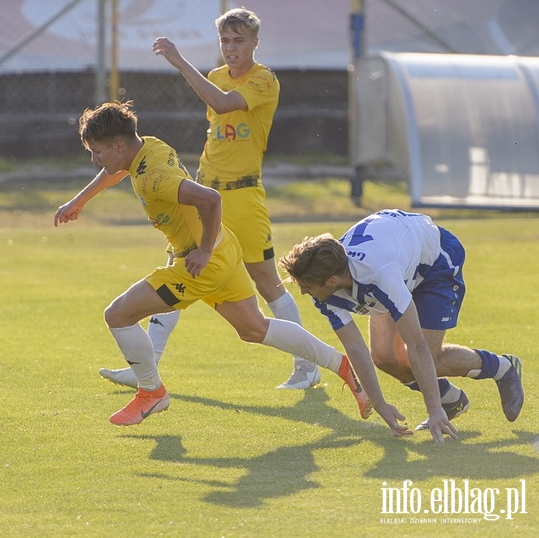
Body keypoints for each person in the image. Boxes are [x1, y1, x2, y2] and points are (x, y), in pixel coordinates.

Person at [54, 101, 376, 427]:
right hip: (225, 247)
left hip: (200, 264)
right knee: (254, 328)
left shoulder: (154, 177)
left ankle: (151, 392)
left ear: (118, 145)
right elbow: (116, 170)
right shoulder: (147, 146)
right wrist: (79, 200)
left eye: (96, 152)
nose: (94, 159)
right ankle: (342, 366)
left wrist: (203, 251)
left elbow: (212, 200)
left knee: (118, 315)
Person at [99, 7, 319, 391]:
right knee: (179, 267)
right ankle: (146, 367)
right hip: (205, 190)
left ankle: (308, 366)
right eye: (225, 41)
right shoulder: (216, 76)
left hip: (242, 194)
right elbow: (216, 120)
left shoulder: (264, 80)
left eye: (238, 41)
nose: (231, 48)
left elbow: (221, 104)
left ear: (255, 43)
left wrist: (179, 61)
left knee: (267, 283)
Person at [280, 208, 524, 443]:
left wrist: (432, 409)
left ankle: (502, 367)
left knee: (429, 356)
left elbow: (417, 345)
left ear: (332, 280)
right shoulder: (326, 287)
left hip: (435, 262)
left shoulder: (379, 275)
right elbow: (354, 347)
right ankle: (450, 399)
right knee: (385, 356)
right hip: (398, 260)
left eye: (306, 285)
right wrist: (379, 404)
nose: (302, 291)